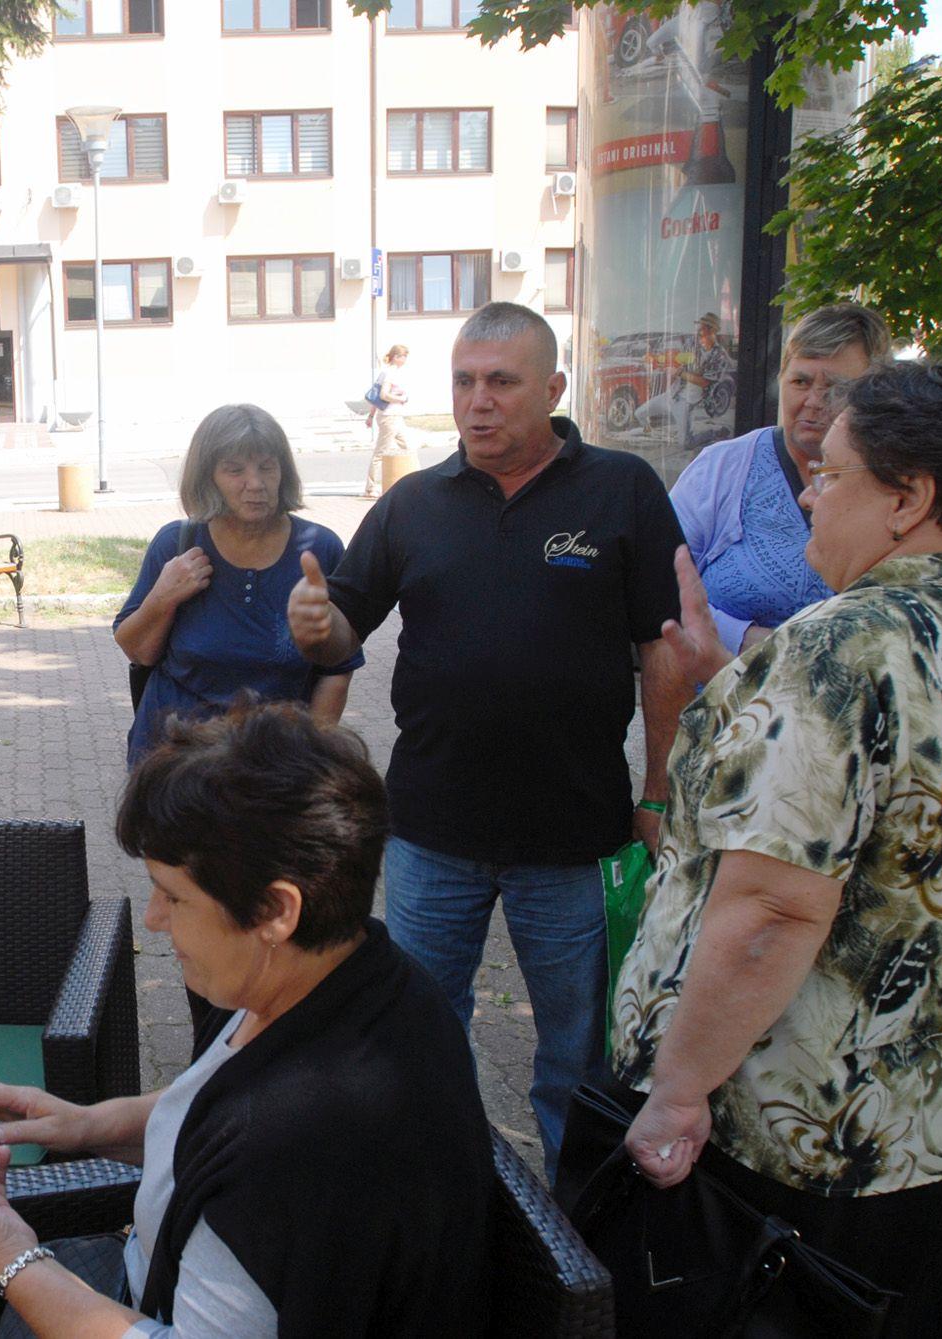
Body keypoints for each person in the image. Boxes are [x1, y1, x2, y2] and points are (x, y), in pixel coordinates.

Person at [600, 359, 942, 1336]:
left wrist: (676, 1097)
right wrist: (728, 685)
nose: (806, 488)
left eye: (831, 470)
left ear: (909, 500)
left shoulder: (837, 650)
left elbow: (771, 909)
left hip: (830, 1152)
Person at [0, 703, 493, 1338]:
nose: (154, 920)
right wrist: (83, 1125)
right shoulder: (349, 978)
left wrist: (12, 1258)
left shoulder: (290, 1153)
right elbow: (212, 1104)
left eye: (174, 895)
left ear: (276, 910)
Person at [288, 300, 688, 1182]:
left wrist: (658, 791)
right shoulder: (413, 503)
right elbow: (340, 627)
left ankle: (582, 1236)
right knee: (423, 1037)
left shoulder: (620, 490)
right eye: (465, 381)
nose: (478, 401)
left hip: (576, 837)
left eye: (501, 382)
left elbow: (663, 652)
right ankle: (442, 1211)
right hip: (433, 831)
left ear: (552, 387)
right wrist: (314, 623)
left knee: (579, 1056)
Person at [115, 404, 359, 768]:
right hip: (174, 764)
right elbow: (139, 652)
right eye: (235, 470)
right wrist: (162, 597)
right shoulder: (177, 544)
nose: (256, 484)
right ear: (208, 477)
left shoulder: (318, 549)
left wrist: (312, 754)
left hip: (276, 761)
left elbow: (338, 668)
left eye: (267, 467)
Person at [669, 303, 890, 653]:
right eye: (801, 381)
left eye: (836, 387)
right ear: (781, 379)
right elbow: (658, 579)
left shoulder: (894, 482)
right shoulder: (722, 468)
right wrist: (743, 639)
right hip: (728, 698)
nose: (814, 401)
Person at [634, 312, 730, 448]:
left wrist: (680, 372)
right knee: (639, 413)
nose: (698, 331)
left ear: (712, 330)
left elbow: (705, 382)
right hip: (671, 395)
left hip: (685, 403)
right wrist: (657, 360)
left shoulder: (719, 355)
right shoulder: (693, 345)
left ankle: (715, 433)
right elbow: (676, 360)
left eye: (702, 328)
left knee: (686, 444)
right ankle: (649, 432)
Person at [362, 343, 413, 498]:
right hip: (389, 417)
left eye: (405, 356)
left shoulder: (392, 372)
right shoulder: (390, 373)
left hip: (395, 416)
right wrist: (401, 399)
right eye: (402, 356)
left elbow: (376, 399)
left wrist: (371, 416)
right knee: (381, 452)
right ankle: (371, 487)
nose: (404, 359)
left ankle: (414, 483)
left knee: (408, 447)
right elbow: (383, 395)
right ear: (396, 357)